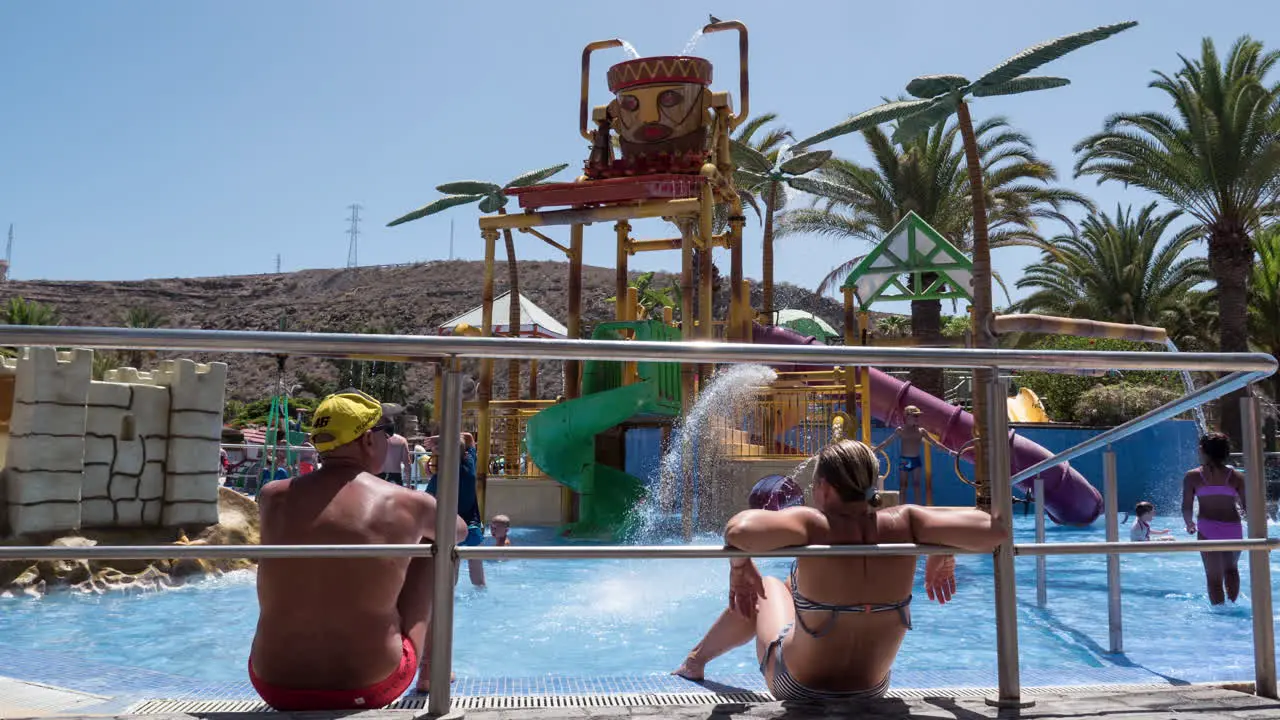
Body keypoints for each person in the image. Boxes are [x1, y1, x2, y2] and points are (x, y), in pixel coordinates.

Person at [673, 439, 1008, 701]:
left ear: (826, 489)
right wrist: (940, 547)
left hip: (797, 686)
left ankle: (695, 662)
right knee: (794, 585)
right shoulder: (906, 522)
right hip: (873, 687)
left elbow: (738, 530)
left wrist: (739, 566)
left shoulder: (814, 525)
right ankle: (698, 659)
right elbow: (994, 530)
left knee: (768, 586)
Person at [250, 389, 467, 711]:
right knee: (437, 548)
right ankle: (431, 673)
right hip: (372, 684)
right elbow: (459, 531)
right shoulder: (408, 502)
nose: (389, 439)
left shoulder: (272, 497)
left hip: (273, 683)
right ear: (368, 439)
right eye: (387, 432)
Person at [1182, 432, 1247, 605]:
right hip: (1233, 526)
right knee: (1231, 570)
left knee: (1213, 577)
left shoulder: (1192, 476)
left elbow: (1186, 506)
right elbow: (1248, 508)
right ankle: (1232, 607)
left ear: (1202, 450)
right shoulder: (1236, 477)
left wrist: (1189, 523)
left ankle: (1219, 614)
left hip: (1207, 528)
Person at [425, 432, 486, 589]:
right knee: (478, 577)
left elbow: (427, 502)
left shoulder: (439, 479)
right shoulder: (470, 466)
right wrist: (441, 438)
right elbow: (469, 437)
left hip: (453, 530)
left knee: (452, 575)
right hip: (473, 526)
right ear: (464, 452)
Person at [874, 406, 933, 505]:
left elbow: (935, 442)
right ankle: (901, 506)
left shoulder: (921, 431)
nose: (917, 418)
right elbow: (887, 442)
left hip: (916, 460)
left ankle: (918, 507)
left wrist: (950, 451)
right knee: (903, 485)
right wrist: (875, 450)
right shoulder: (901, 430)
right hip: (905, 460)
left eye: (918, 416)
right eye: (915, 416)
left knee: (917, 485)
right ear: (907, 417)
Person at [380, 421, 413, 487]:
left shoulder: (377, 440)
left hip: (379, 475)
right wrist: (408, 485)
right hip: (396, 476)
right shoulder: (402, 440)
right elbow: (407, 464)